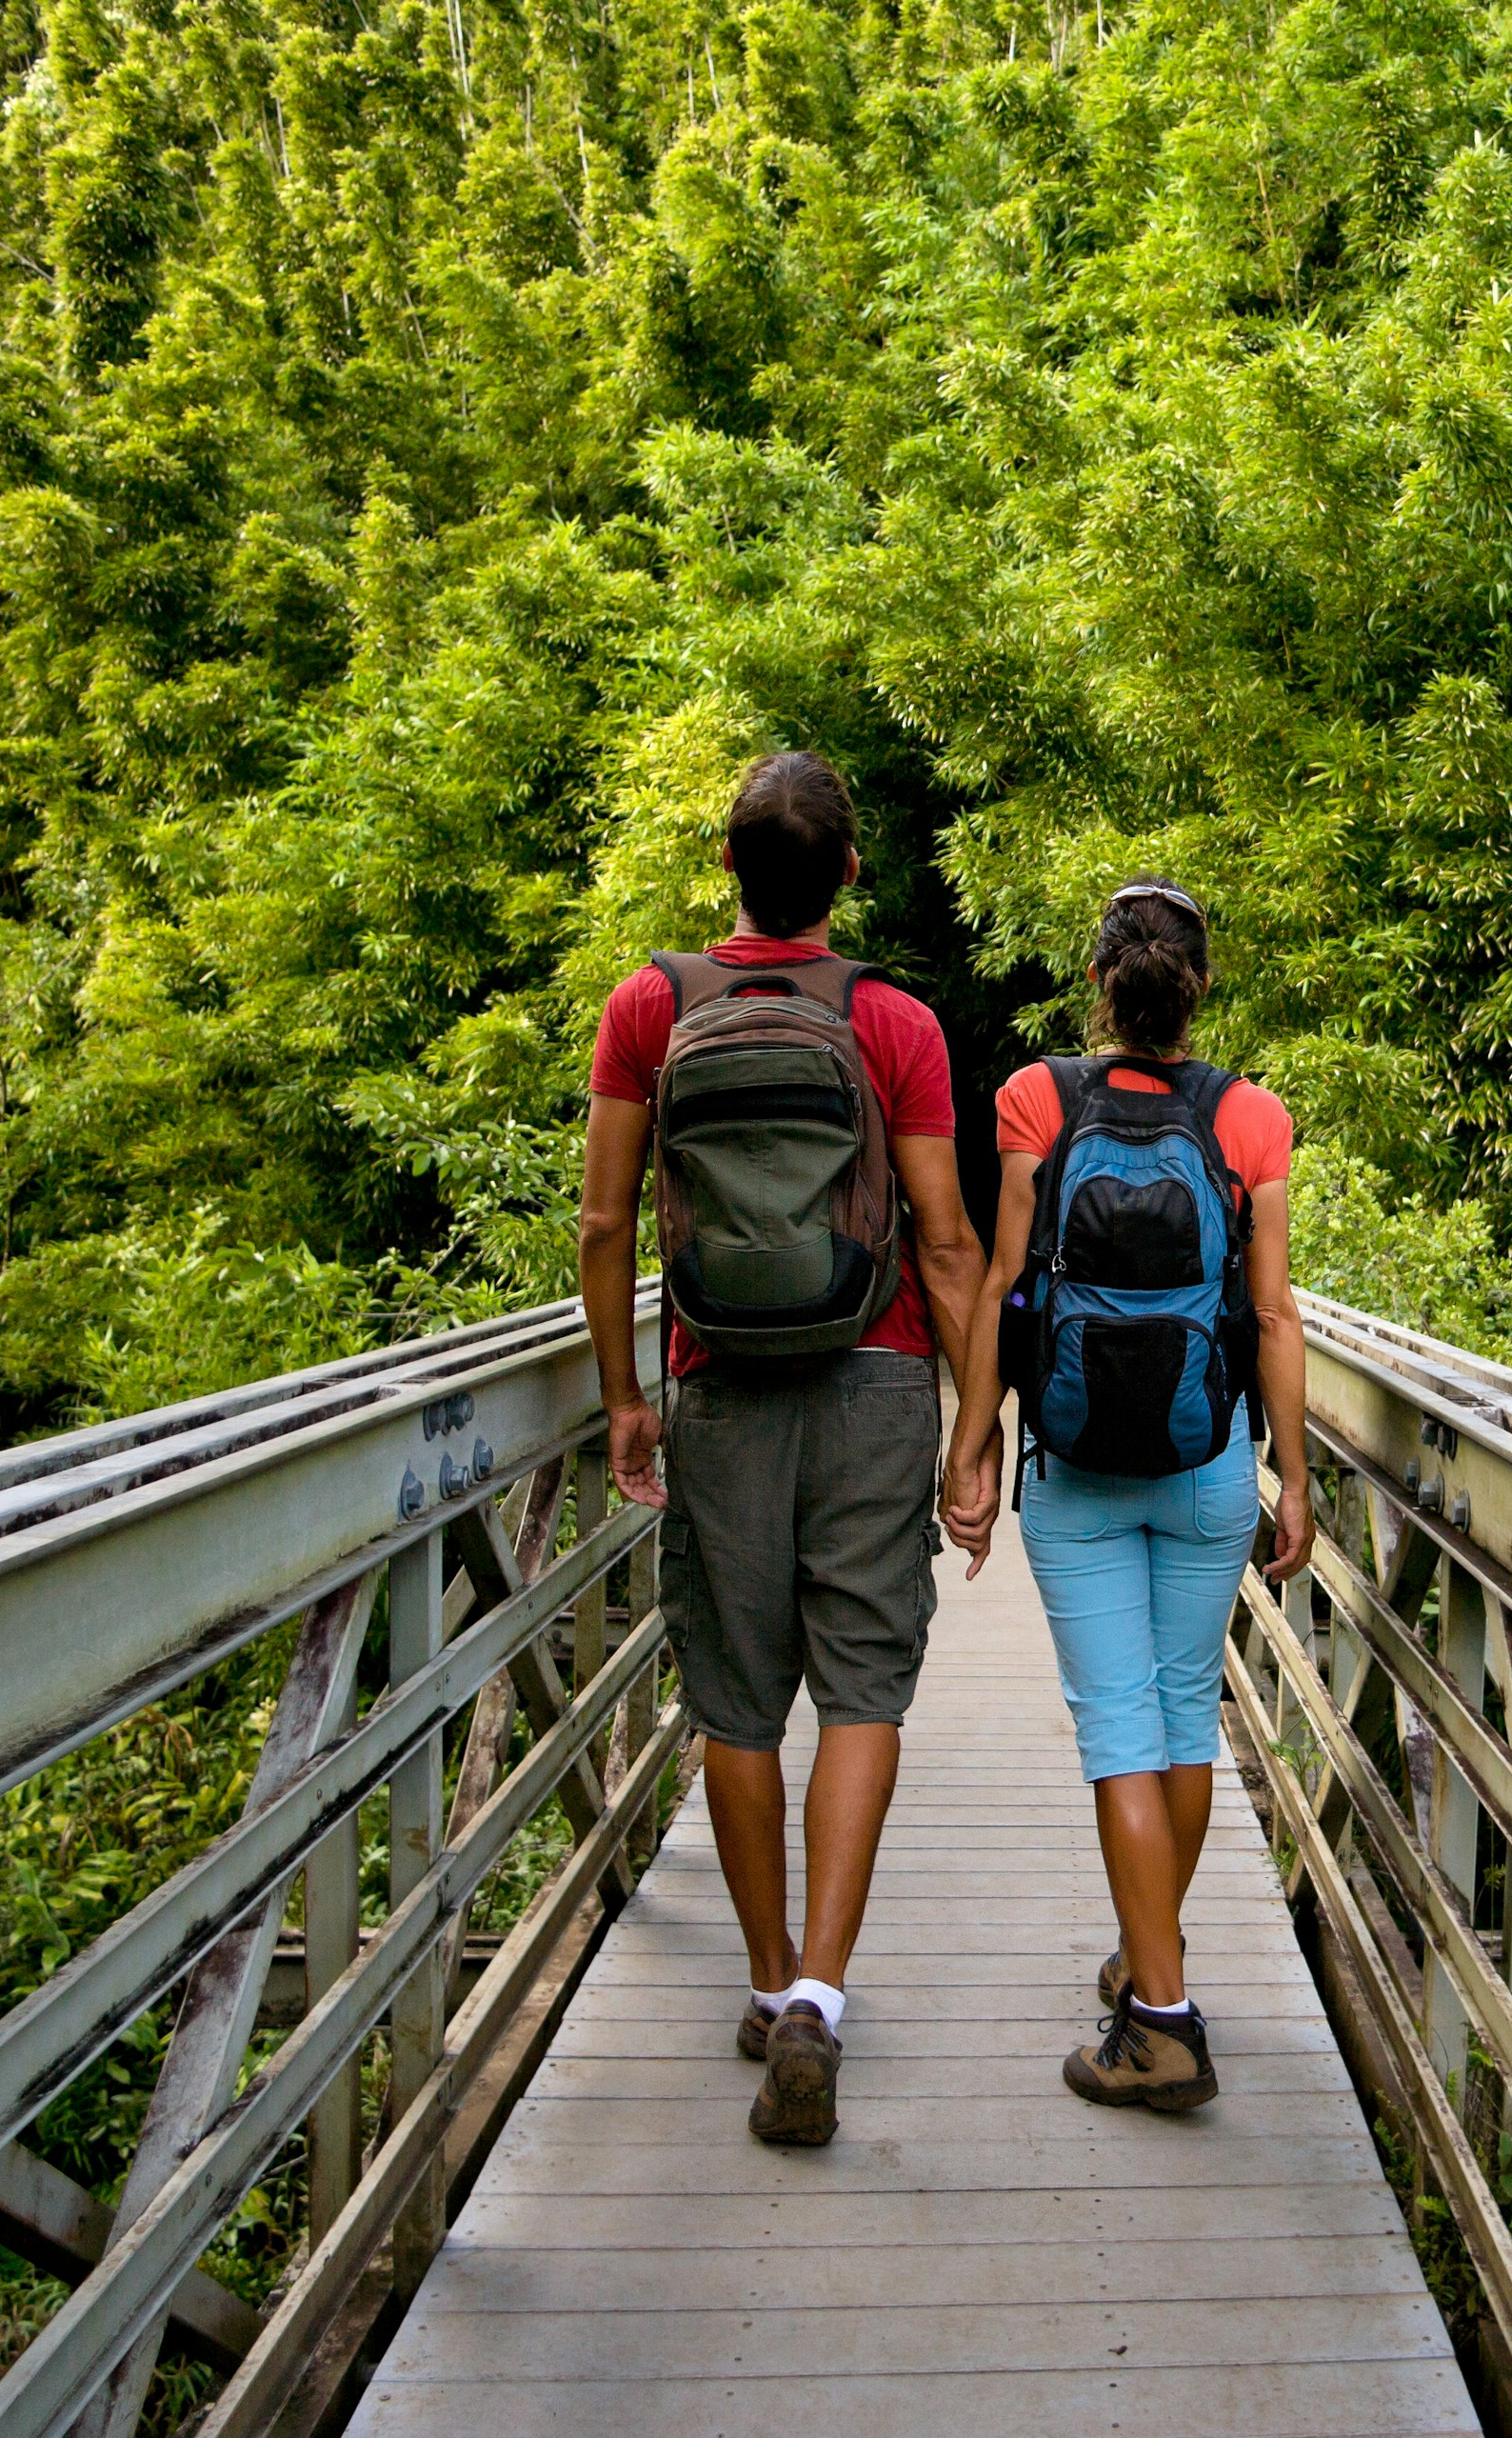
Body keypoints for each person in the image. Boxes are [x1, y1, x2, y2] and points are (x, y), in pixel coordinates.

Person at [577, 750, 999, 2147]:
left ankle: (764, 1984)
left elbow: (603, 1223)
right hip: (874, 1381)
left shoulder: (650, 1005)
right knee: (864, 1688)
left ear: (725, 869)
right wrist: (971, 1434)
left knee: (738, 1696)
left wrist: (627, 1398)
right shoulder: (894, 1022)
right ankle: (823, 1987)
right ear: (851, 876)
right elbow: (947, 1243)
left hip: (718, 1384)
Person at [941, 877, 1314, 2112]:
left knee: (1117, 1733)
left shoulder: (1036, 1098)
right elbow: (1268, 1314)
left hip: (1077, 1468)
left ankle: (1161, 2022)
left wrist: (972, 1446)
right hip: (1209, 1463)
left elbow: (1004, 1281)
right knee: (1176, 1718)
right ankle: (1151, 1949)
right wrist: (1294, 1476)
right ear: (1198, 988)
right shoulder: (1253, 1119)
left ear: (1099, 983)